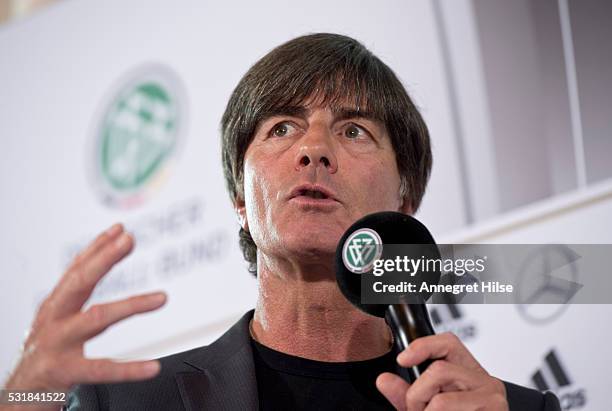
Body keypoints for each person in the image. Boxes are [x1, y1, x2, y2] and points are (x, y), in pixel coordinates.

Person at [2, 33, 561, 411]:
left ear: (404, 199)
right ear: (240, 200)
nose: (313, 151)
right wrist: (23, 397)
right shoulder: (128, 404)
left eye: (353, 131)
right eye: (282, 128)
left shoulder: (513, 407)